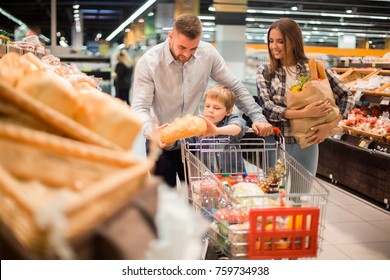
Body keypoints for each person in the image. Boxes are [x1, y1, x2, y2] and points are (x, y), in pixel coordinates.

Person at [132, 14, 273, 187]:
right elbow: (140, 107)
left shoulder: (208, 54)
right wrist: (152, 132)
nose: (187, 54)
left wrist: (258, 116)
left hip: (194, 143)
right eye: (182, 47)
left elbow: (235, 86)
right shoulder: (149, 62)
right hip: (160, 141)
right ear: (171, 36)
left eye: (193, 49)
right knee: (164, 201)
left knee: (200, 199)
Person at [256, 18, 354, 175]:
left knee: (301, 196)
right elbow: (267, 108)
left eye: (280, 41)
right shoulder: (266, 71)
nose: (274, 46)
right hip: (275, 142)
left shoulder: (313, 68)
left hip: (307, 142)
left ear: (294, 41)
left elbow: (346, 96)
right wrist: (304, 113)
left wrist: (329, 127)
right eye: (271, 41)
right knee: (273, 195)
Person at [196, 83, 249, 174]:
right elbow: (185, 139)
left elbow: (238, 127)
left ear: (228, 111)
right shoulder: (198, 125)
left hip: (233, 177)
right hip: (207, 178)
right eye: (207, 106)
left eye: (216, 108)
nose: (210, 110)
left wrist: (217, 131)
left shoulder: (231, 120)